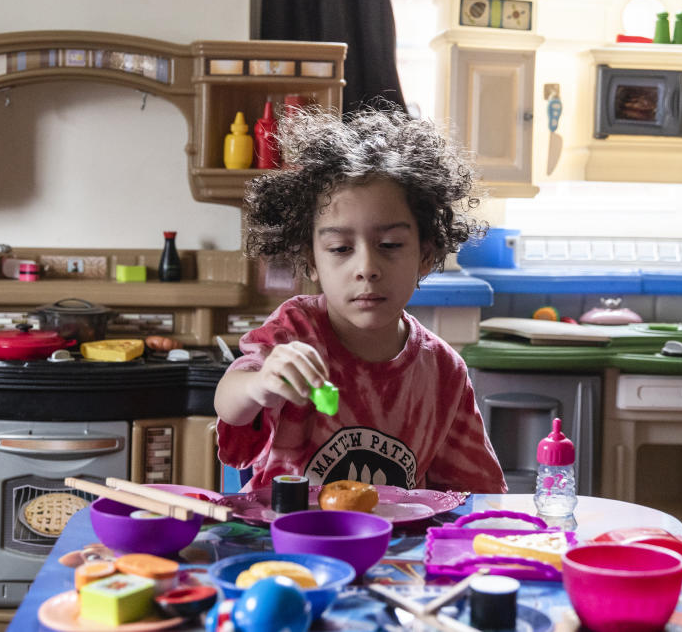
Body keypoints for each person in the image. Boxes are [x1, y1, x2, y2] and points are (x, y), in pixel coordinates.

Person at [214, 107, 507, 494]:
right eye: (340, 248)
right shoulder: (296, 332)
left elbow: (473, 496)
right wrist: (260, 385)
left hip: (395, 549)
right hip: (289, 542)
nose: (366, 267)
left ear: (425, 254)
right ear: (310, 260)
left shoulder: (442, 372)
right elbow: (228, 400)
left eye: (389, 245)